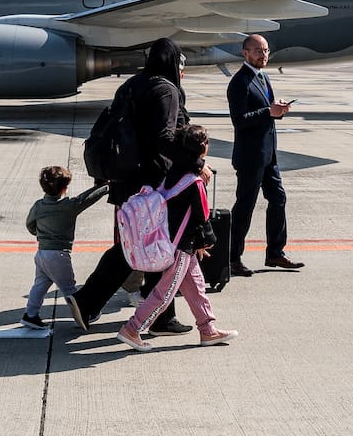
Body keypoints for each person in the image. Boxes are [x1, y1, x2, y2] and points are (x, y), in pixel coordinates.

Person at [67, 38, 206, 336]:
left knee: (137, 244)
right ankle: (155, 317)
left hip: (124, 178)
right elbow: (164, 138)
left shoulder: (131, 85)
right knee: (157, 243)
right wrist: (196, 164)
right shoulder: (166, 90)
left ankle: (91, 302)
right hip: (150, 182)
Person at [116, 125, 238, 351]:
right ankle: (132, 329)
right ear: (203, 148)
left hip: (173, 240)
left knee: (196, 287)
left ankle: (208, 330)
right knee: (164, 293)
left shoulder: (172, 173)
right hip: (179, 246)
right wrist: (205, 241)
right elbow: (202, 217)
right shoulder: (195, 181)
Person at [226, 34, 304, 277]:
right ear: (245, 53)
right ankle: (232, 258)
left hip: (268, 155)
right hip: (250, 157)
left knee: (278, 199)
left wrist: (278, 110)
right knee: (245, 207)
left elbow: (266, 112)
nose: (264, 55)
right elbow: (239, 120)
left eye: (266, 50)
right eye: (258, 51)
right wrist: (268, 111)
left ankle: (275, 253)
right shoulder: (239, 82)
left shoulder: (263, 77)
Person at [22, 166, 108, 329]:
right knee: (69, 289)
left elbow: (30, 224)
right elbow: (87, 198)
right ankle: (83, 314)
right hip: (59, 255)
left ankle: (30, 314)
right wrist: (104, 187)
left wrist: (40, 233)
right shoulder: (69, 206)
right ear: (64, 188)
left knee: (40, 285)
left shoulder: (38, 206)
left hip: (42, 253)